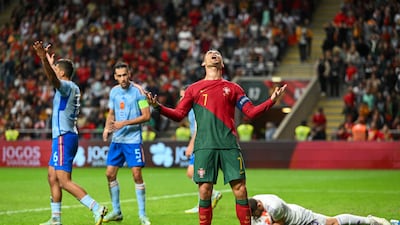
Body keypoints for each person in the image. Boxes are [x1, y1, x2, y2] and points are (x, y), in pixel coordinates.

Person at [146, 49, 287, 225]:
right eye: (209, 53)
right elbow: (178, 114)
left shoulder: (234, 88)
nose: (214, 54)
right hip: (205, 146)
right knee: (205, 190)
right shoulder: (193, 89)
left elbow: (251, 112)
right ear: (203, 63)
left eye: (217, 53)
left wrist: (271, 100)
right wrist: (157, 106)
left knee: (240, 189)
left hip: (229, 145)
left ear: (222, 63)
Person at [33, 40, 108, 225]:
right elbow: (53, 75)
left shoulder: (66, 86)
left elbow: (53, 79)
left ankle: (96, 208)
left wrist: (43, 59)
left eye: (57, 69)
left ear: (63, 73)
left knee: (64, 180)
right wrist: (49, 62)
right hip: (66, 136)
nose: (54, 71)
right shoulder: (71, 87)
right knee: (52, 176)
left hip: (63, 137)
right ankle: (56, 219)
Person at [102, 62, 151, 225]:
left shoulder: (139, 92)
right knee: (109, 174)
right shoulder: (114, 92)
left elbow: (146, 116)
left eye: (125, 75)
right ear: (115, 77)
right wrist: (106, 128)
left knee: (136, 174)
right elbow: (112, 112)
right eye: (119, 76)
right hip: (117, 140)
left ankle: (142, 215)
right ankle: (116, 211)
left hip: (132, 141)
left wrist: (124, 123)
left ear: (129, 74)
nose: (122, 78)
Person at [180, 87, 222, 214]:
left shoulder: (196, 108)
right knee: (196, 173)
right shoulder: (191, 109)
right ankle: (208, 198)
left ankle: (208, 198)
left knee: (195, 173)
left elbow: (199, 128)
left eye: (183, 96)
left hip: (202, 143)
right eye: (180, 96)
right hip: (202, 142)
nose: (182, 99)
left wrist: (191, 145)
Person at [249, 194, 391, 225]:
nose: (254, 216)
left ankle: (372, 221)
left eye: (255, 214)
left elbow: (279, 224)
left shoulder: (275, 207)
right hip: (288, 218)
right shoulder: (253, 201)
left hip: (299, 219)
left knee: (332, 223)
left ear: (260, 206)